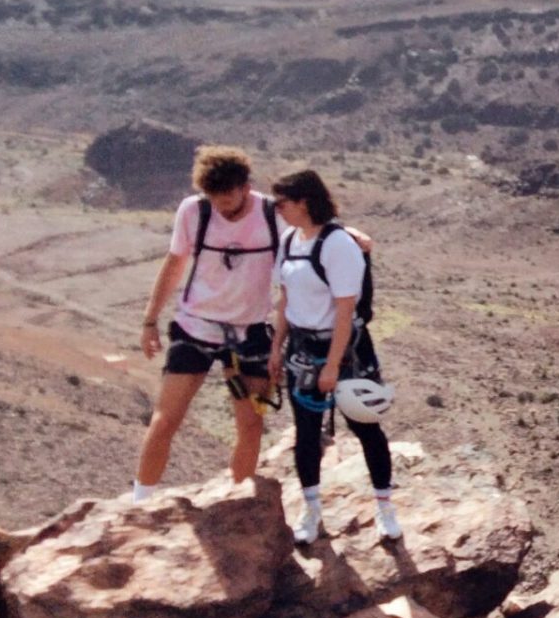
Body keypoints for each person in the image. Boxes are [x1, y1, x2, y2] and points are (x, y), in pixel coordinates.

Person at [131, 146, 279, 500]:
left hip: (250, 332)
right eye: (214, 197)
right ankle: (140, 502)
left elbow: (315, 230)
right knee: (166, 419)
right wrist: (150, 321)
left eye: (229, 195)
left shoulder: (274, 213)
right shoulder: (194, 211)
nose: (223, 205)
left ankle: (239, 501)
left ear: (246, 186)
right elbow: (174, 263)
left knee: (250, 424)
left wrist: (352, 238)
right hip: (196, 326)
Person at [267, 167, 400, 545]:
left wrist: (332, 365)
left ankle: (385, 507)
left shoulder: (338, 244)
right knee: (307, 435)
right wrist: (277, 347)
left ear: (304, 201)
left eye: (283, 202)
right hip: (302, 349)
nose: (277, 209)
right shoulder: (290, 240)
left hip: (346, 351)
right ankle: (311, 512)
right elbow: (286, 299)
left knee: (365, 427)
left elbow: (345, 310)